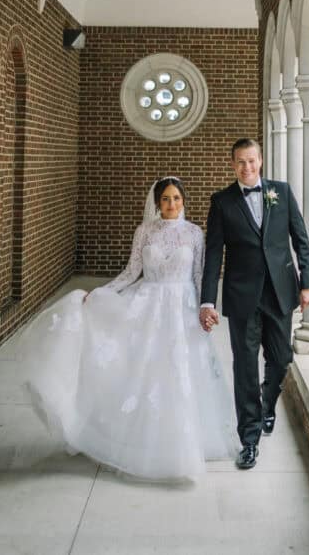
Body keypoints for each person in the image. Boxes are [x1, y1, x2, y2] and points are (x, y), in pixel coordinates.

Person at [21, 176, 238, 481]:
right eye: (165, 199)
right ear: (156, 202)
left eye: (176, 198)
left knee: (180, 373)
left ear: (184, 200)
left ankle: (181, 441)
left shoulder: (194, 234)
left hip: (182, 308)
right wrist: (99, 293)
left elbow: (202, 275)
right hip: (148, 305)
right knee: (143, 372)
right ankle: (137, 438)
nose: (171, 204)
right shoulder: (144, 231)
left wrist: (207, 306)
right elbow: (131, 271)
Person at [200, 139, 309, 470]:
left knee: (281, 358)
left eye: (251, 161)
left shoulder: (281, 191)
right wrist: (208, 299)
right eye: (240, 162)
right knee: (245, 366)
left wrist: (308, 283)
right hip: (241, 296)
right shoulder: (221, 202)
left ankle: (267, 404)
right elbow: (213, 254)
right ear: (232, 164)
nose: (246, 167)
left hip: (281, 291)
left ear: (260, 161)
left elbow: (301, 240)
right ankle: (248, 439)